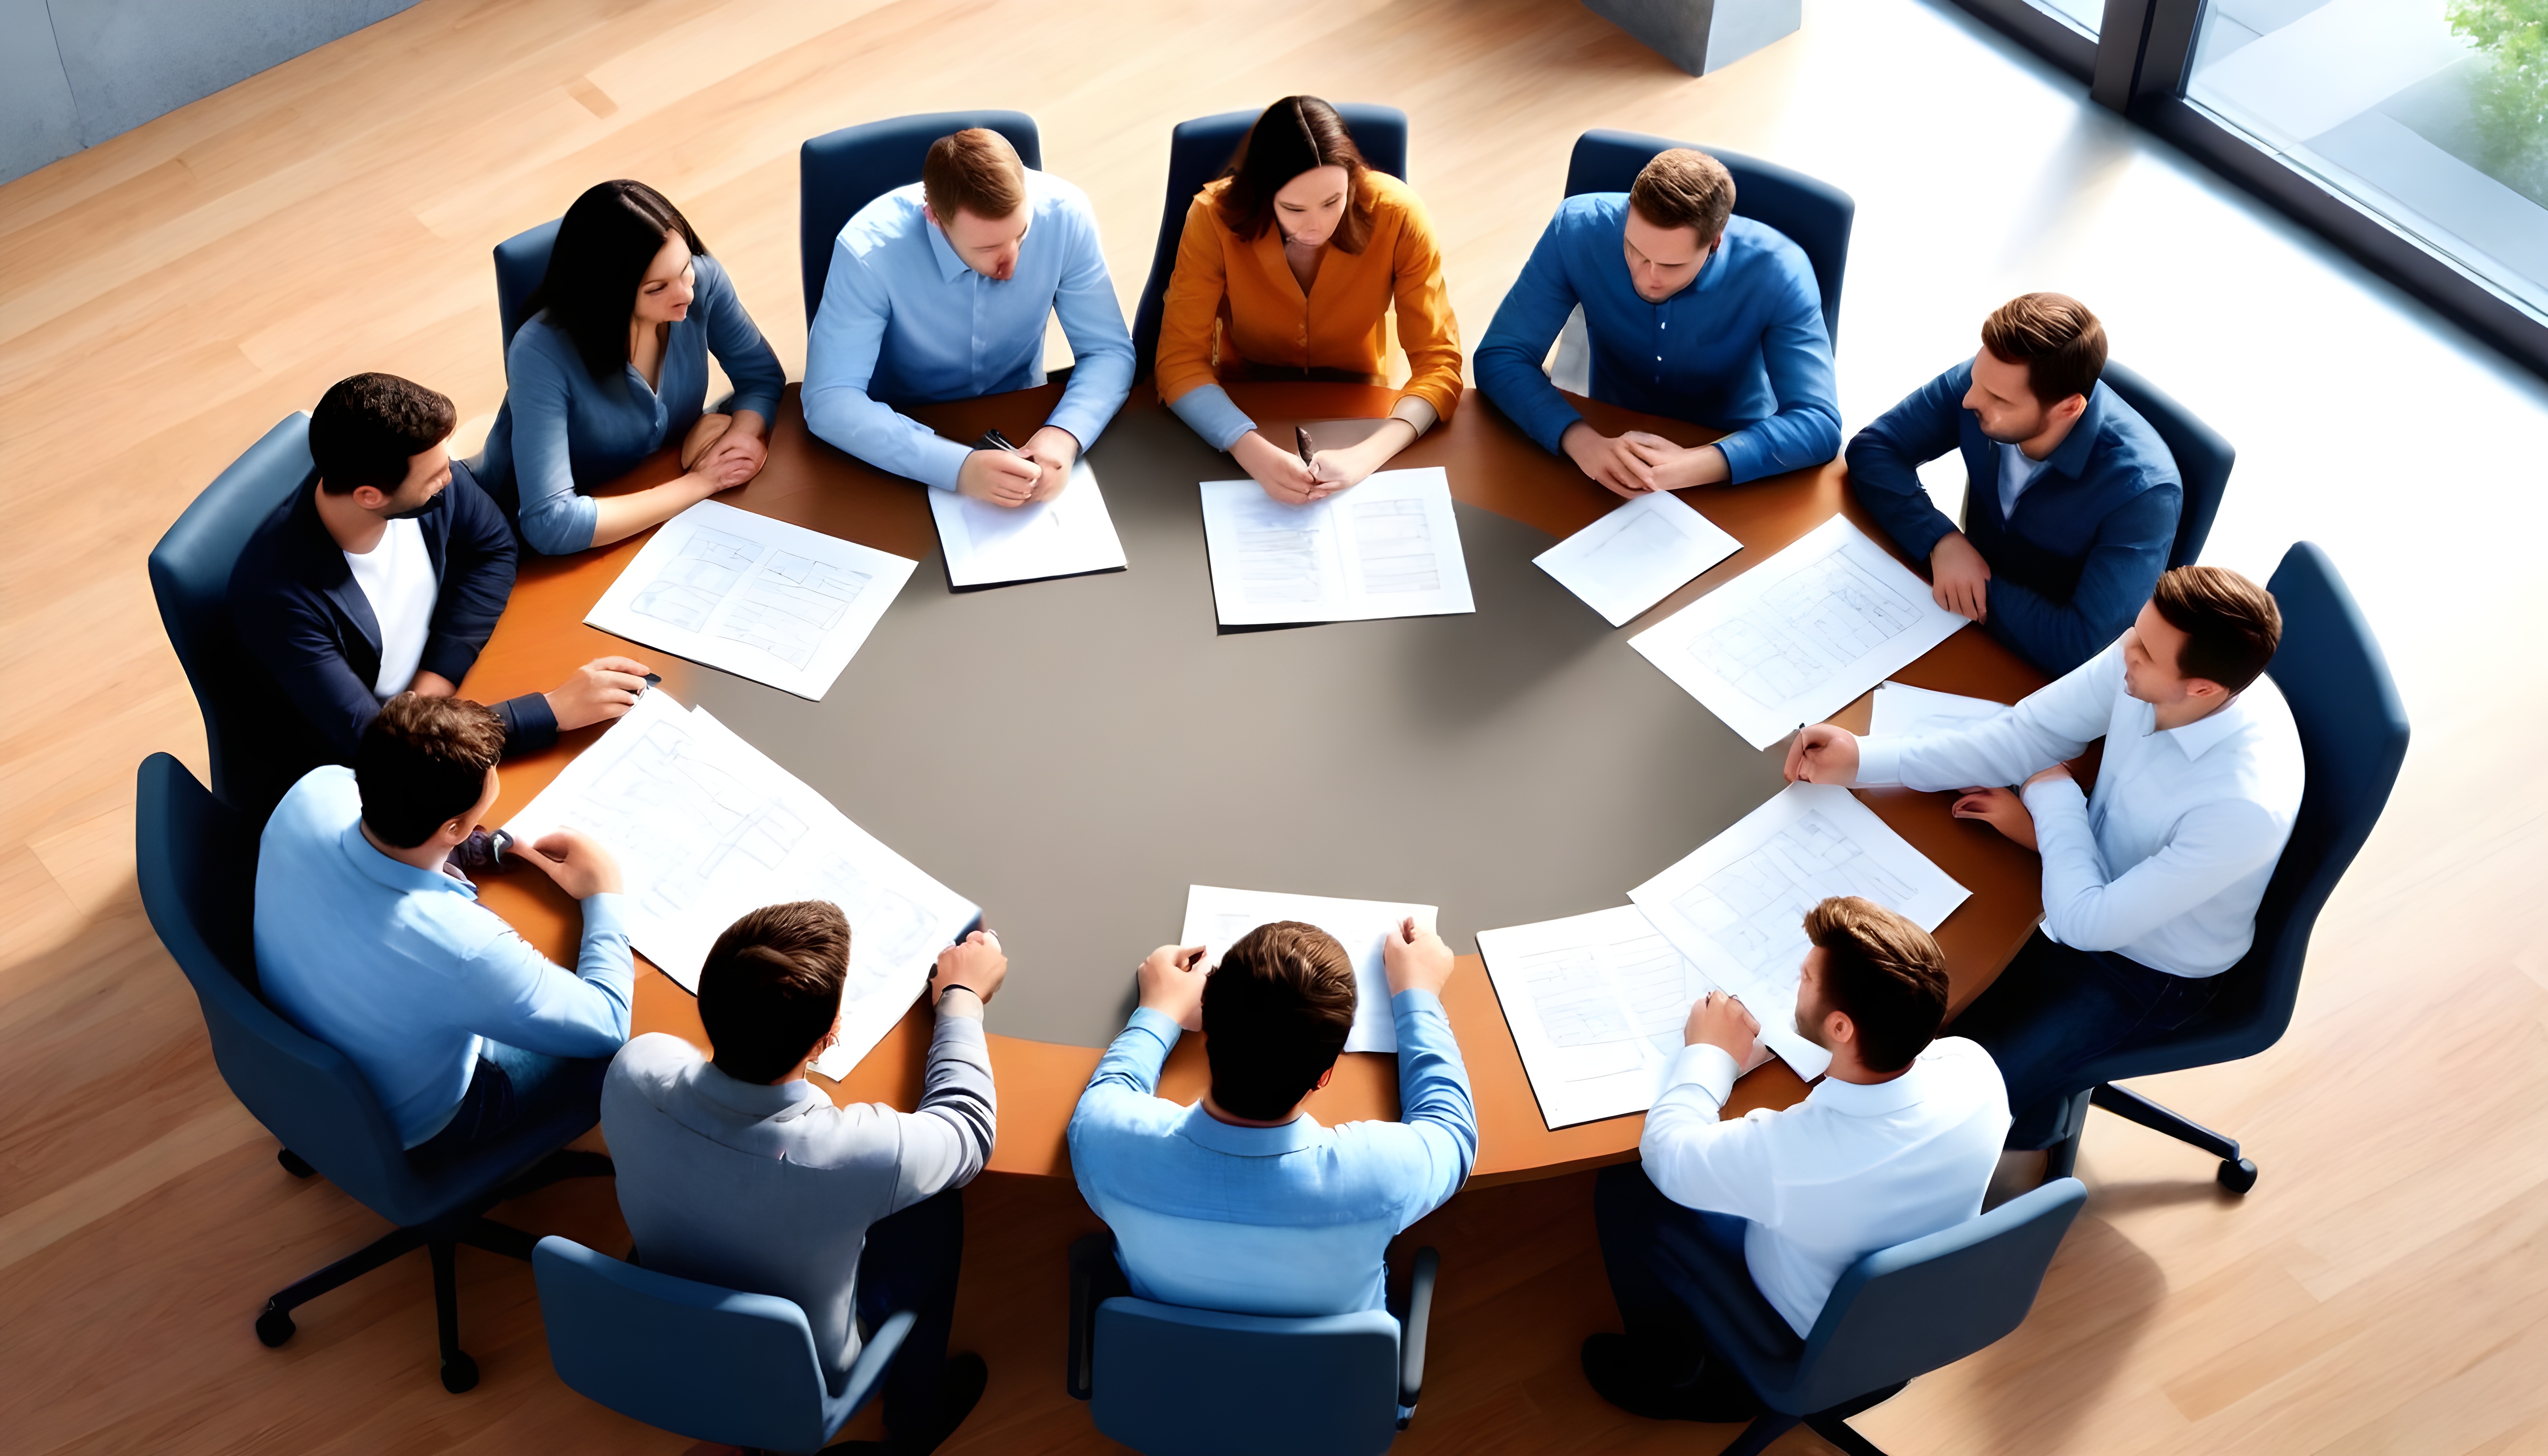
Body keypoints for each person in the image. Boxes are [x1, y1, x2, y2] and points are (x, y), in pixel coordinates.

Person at [1785, 566, 2302, 1148]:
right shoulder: (2149, 661)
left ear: (2202, 689)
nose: (2124, 652)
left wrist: (2051, 795)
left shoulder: (2242, 806)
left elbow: (2088, 923)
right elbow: (2023, 737)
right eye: (2134, 633)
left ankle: (2027, 1122)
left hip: (2140, 967)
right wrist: (1865, 760)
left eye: (2144, 651)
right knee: (1901, 1020)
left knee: (1935, 1118)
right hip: (2071, 875)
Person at [1584, 897, 2009, 1422]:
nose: (1797, 977)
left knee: (1628, 1190)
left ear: (1841, 1028)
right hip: (1923, 1314)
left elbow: (1666, 1154)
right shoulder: (1977, 1071)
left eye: (1806, 977)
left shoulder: (1797, 1157)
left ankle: (1675, 1371)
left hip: (1809, 1334)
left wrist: (1710, 1054)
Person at [603, 903, 1003, 1453]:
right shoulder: (853, 1156)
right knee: (936, 1207)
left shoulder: (634, 1069)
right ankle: (916, 1417)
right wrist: (963, 1000)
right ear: (829, 1035)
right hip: (804, 1371)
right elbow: (968, 1130)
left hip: (666, 1307)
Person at [230, 373, 652, 818]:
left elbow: (493, 548)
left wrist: (435, 686)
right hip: (369, 774)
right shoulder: (277, 598)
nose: (450, 476)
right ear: (370, 496)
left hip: (444, 701)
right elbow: (379, 748)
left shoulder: (421, 480)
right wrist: (550, 712)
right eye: (433, 474)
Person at [253, 692, 633, 1155]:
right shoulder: (468, 949)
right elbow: (608, 1024)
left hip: (308, 1042)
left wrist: (472, 850)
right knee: (622, 1056)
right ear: (452, 828)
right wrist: (604, 894)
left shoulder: (316, 789)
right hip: (415, 1120)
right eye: (469, 825)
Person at [1067, 919, 1475, 1317]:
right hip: (1325, 1370)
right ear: (1325, 1075)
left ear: (1206, 1032)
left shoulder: (1106, 1143)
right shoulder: (1383, 1176)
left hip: (1171, 1352)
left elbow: (1110, 1090)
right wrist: (1418, 994)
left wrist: (1159, 1011)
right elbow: (1451, 1130)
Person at [1474, 147, 1839, 499]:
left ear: (1714, 242)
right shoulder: (1576, 228)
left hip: (1733, 451)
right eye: (1635, 250)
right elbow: (1501, 355)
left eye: (1671, 265)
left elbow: (1818, 421)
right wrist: (1580, 440)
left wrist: (1694, 464)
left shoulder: (1780, 270)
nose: (1647, 277)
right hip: (1607, 433)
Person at [1847, 293, 2183, 676]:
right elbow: (1874, 449)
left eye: (1997, 398)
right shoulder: (1986, 381)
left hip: (2033, 667)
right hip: (1952, 618)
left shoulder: (2143, 494)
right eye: (1976, 378)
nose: (1970, 399)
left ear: (2069, 408)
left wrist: (1975, 586)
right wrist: (1941, 539)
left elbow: (2085, 645)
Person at [1153, 96, 1462, 504]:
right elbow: (1178, 361)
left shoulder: (1399, 214)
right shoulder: (1212, 218)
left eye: (1333, 202)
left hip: (1360, 400)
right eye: (1294, 209)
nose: (1316, 227)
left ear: (1353, 178)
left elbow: (1440, 362)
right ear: (1265, 196)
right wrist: (1250, 450)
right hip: (1240, 395)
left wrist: (1367, 456)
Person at [803, 127, 1134, 508]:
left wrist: (1064, 434)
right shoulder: (867, 252)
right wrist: (956, 467)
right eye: (989, 248)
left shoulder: (1065, 213)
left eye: (1021, 235)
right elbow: (830, 399)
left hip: (1022, 413)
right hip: (900, 429)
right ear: (934, 218)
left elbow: (1109, 351)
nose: (1011, 267)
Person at [478, 180, 786, 555]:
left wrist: (745, 432)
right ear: (607, 293)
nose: (686, 293)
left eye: (685, 267)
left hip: (654, 499)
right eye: (657, 288)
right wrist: (701, 483)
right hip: (538, 538)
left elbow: (761, 377)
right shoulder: (540, 351)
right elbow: (550, 522)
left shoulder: (702, 282)